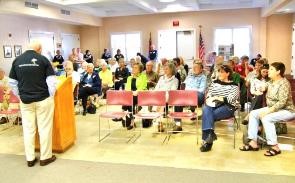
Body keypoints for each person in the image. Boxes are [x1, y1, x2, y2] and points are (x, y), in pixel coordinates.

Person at [8, 41, 57, 167]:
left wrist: (20, 95)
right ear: (39, 49)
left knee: (28, 129)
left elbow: (12, 82)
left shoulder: (17, 61)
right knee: (44, 128)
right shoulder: (43, 59)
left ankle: (30, 159)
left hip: (25, 101)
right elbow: (51, 81)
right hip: (43, 99)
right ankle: (45, 157)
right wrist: (51, 96)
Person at [240, 62, 295, 156]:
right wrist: (261, 88)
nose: (268, 71)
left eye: (271, 69)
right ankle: (253, 142)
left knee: (266, 118)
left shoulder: (284, 83)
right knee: (253, 113)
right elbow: (265, 86)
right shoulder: (271, 81)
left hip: (287, 110)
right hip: (273, 108)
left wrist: (268, 111)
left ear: (278, 72)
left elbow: (282, 102)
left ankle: (275, 146)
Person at [200, 64, 239, 152]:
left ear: (228, 73)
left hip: (228, 107)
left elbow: (230, 99)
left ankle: (208, 142)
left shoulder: (234, 86)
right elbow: (209, 94)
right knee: (206, 109)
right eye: (219, 72)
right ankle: (209, 136)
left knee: (207, 115)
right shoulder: (214, 83)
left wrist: (218, 98)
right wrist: (212, 98)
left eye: (222, 72)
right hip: (213, 105)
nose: (219, 74)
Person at [115, 62, 147, 130]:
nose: (133, 69)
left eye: (135, 68)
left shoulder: (143, 77)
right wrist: (130, 92)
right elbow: (127, 88)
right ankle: (132, 123)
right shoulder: (129, 77)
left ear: (139, 70)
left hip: (140, 95)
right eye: (133, 67)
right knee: (129, 101)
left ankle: (122, 114)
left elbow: (143, 87)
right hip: (131, 96)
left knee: (129, 100)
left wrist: (136, 92)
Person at [154, 61, 179, 132]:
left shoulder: (175, 80)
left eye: (167, 69)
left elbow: (172, 91)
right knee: (159, 101)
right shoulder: (161, 78)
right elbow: (156, 88)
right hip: (159, 96)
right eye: (164, 69)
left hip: (168, 97)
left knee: (161, 102)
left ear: (172, 70)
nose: (165, 70)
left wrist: (163, 95)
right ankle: (159, 122)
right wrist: (156, 94)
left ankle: (159, 123)